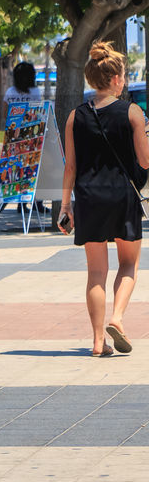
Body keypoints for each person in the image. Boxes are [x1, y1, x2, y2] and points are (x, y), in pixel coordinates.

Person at [59, 41, 149, 357]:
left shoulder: (75, 116)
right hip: (122, 196)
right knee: (128, 264)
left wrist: (65, 206)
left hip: (87, 198)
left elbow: (70, 165)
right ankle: (118, 318)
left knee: (96, 272)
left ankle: (98, 342)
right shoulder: (133, 112)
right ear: (115, 79)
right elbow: (146, 160)